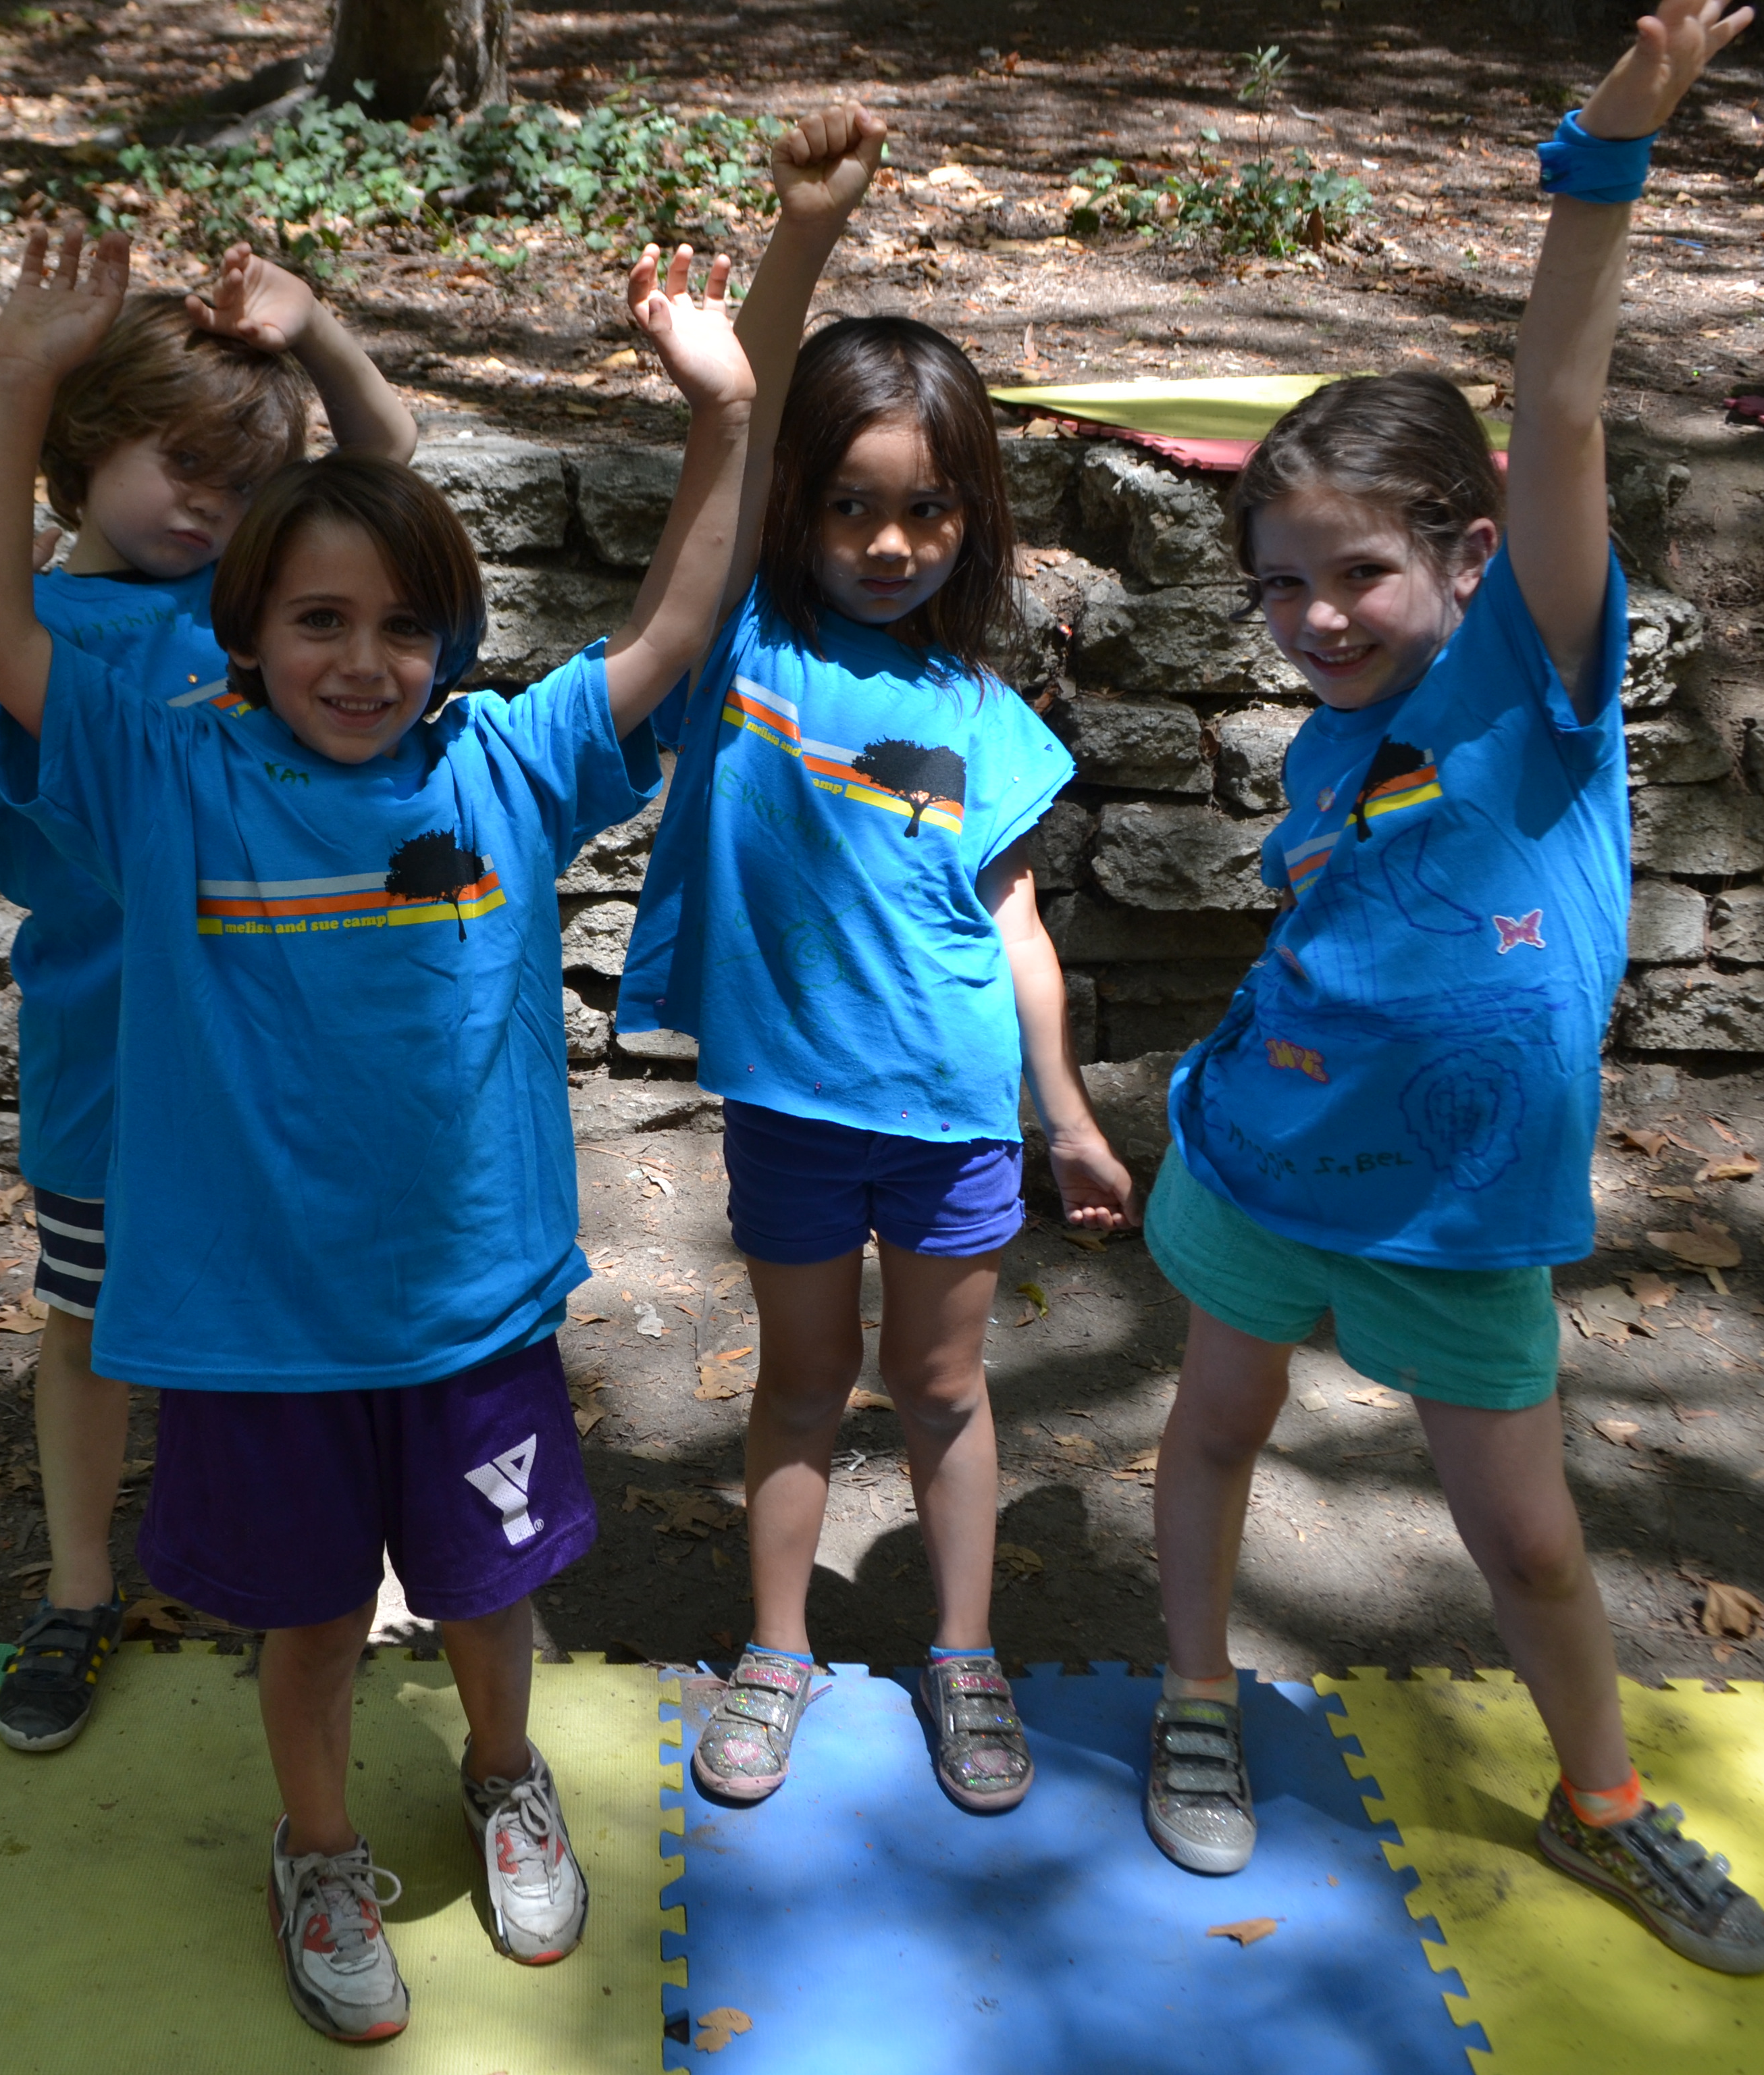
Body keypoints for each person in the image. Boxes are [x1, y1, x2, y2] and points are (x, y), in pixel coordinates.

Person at [0, 220, 757, 2042]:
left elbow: (676, 628)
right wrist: (17, 381)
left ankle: (502, 1772)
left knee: (484, 1594)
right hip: (256, 1334)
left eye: (402, 625)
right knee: (308, 1623)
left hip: (467, 1313)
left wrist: (721, 415)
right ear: (245, 633)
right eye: (320, 620)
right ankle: (317, 1852)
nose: (365, 659)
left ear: (449, 642)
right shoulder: (166, 768)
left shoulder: (505, 765)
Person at [1140, 0, 1764, 1976]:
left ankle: (1606, 1804)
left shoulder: (1536, 681)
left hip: (1465, 1215)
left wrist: (1607, 155)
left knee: (1530, 1539)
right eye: (1280, 583)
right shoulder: (1330, 745)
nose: (1315, 616)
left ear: (1472, 554)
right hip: (1264, 1155)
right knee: (1216, 1429)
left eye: (1357, 575)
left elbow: (1564, 411)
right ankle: (1190, 1697)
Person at [617, 105, 1135, 1818]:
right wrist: (806, 233)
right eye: (851, 507)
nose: (889, 544)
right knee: (797, 1385)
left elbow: (1016, 932)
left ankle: (964, 1653)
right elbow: (740, 421)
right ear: (801, 508)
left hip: (956, 1113)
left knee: (940, 1386)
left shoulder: (988, 722)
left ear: (971, 519)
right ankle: (775, 1651)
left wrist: (1066, 1118)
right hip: (793, 1105)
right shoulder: (742, 641)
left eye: (924, 512)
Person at [0, 245, 417, 1757]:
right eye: (179, 466)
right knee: (91, 1320)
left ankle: (357, 1568)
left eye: (240, 485)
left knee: (312, 1302)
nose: (207, 507)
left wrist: (318, 331)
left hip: (280, 1060)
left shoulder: (261, 608)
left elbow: (387, 471)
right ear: (86, 444)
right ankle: (78, 1585)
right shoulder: (27, 626)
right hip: (112, 1059)